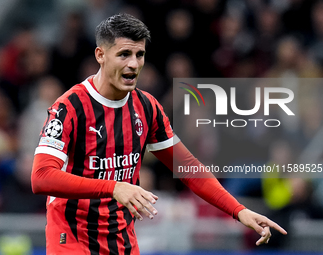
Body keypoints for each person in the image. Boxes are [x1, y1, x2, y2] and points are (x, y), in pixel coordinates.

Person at [31, 13, 287, 255]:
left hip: (122, 240)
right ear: (100, 55)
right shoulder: (70, 107)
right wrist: (113, 187)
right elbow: (41, 177)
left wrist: (239, 210)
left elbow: (188, 168)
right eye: (123, 54)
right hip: (72, 238)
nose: (133, 64)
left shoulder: (147, 107)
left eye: (139, 54)